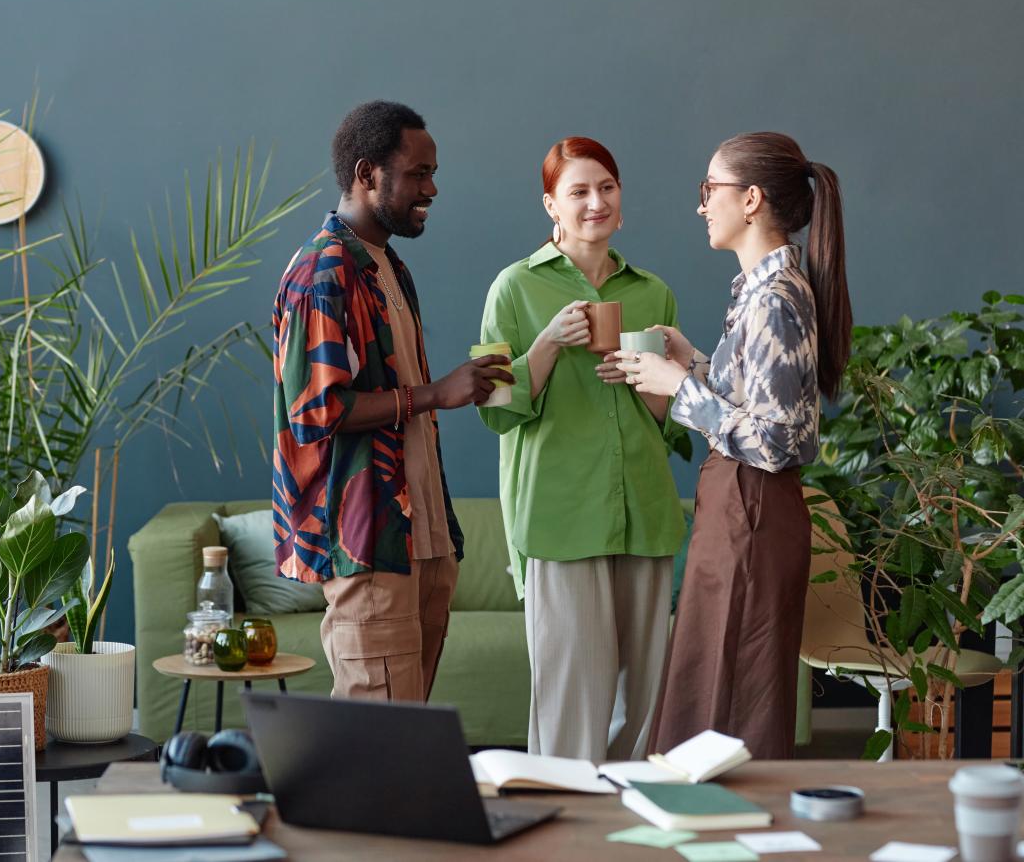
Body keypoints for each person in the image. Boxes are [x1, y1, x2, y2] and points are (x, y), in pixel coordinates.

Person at [271, 100, 513, 702]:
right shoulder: (323, 274)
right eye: (417, 174)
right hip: (368, 540)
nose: (431, 188)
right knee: (375, 734)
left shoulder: (387, 266)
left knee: (405, 728)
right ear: (366, 173)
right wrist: (436, 394)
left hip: (421, 538)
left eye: (433, 173)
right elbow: (315, 411)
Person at [625, 131, 852, 759]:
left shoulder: (777, 298)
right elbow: (759, 404)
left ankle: (733, 842)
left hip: (752, 508)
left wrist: (679, 389)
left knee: (733, 699)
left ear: (750, 199)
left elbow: (777, 441)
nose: (701, 205)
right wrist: (694, 361)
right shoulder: (761, 291)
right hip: (741, 508)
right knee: (713, 686)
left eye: (710, 189)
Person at [477, 137, 686, 762]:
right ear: (552, 205)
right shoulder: (513, 287)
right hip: (558, 520)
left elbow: (671, 422)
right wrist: (544, 346)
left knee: (647, 707)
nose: (596, 202)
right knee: (571, 705)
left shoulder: (654, 293)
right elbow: (491, 409)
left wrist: (644, 377)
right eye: (579, 191)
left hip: (646, 516)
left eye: (607, 188)